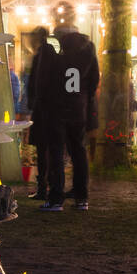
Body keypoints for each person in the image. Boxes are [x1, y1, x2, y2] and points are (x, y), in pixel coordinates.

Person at [36, 13, 98, 211]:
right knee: (79, 151)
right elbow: (94, 78)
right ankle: (82, 197)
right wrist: (84, 98)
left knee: (56, 152)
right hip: (78, 106)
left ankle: (56, 198)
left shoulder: (51, 45)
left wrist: (42, 101)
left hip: (55, 106)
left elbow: (42, 78)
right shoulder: (88, 47)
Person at [24, 27, 53, 200]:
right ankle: (44, 186)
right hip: (44, 109)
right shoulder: (46, 55)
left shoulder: (42, 56)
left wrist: (34, 102)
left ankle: (43, 187)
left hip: (43, 110)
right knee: (45, 150)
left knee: (44, 150)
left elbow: (38, 83)